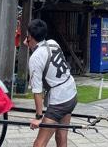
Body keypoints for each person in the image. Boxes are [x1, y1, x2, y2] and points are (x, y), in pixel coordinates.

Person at [26, 19, 78, 147]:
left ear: (30, 37)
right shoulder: (53, 43)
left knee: (39, 144)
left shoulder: (35, 58)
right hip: (71, 92)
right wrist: (30, 43)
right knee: (61, 136)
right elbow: (42, 54)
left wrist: (39, 117)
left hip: (60, 100)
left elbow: (37, 91)